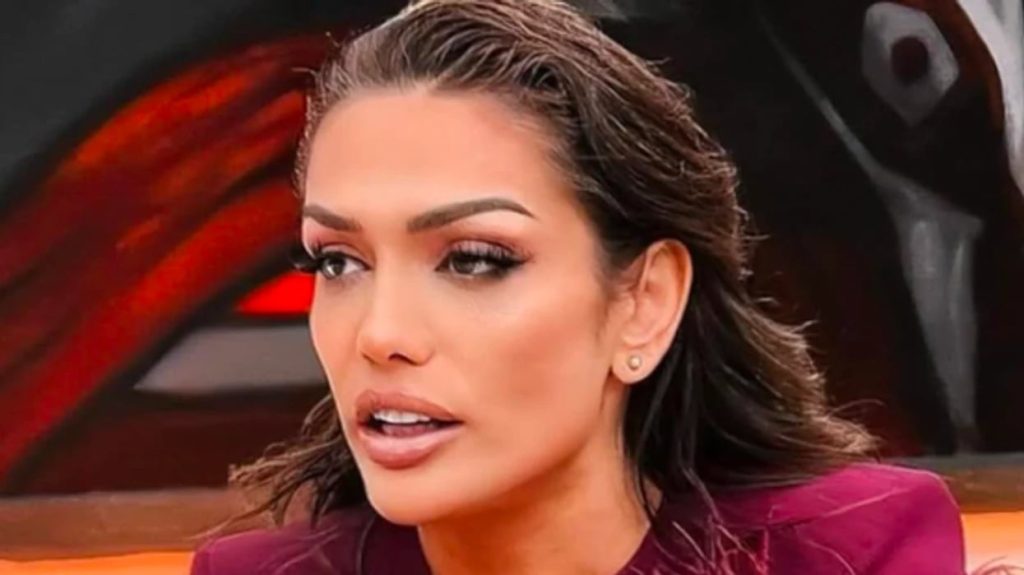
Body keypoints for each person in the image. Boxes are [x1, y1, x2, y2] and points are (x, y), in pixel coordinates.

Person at [191, 0, 966, 572]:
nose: (381, 332)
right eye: (338, 262)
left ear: (644, 304)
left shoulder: (848, 553)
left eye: (474, 259)